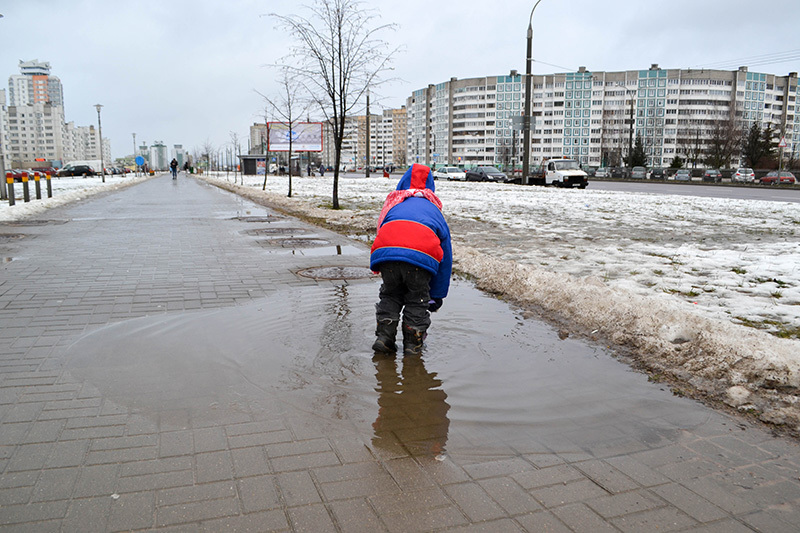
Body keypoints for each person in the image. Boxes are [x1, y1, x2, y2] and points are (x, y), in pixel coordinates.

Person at [370, 163, 452, 356]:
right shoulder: (433, 210)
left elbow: (383, 233)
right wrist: (437, 294)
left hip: (387, 255)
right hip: (420, 259)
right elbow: (445, 257)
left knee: (390, 295)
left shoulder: (395, 204)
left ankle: (384, 338)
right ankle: (412, 344)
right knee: (417, 299)